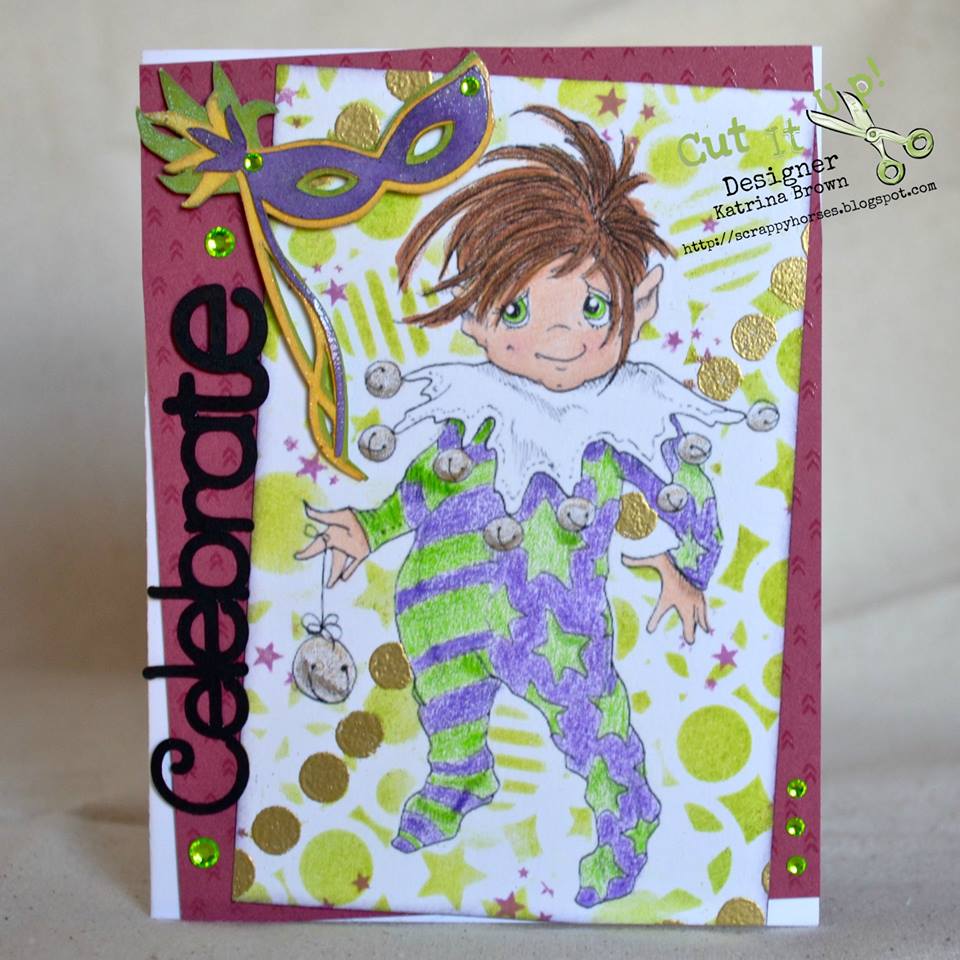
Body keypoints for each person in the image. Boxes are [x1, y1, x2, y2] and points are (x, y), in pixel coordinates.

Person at [296, 106, 741, 907]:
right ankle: (460, 776)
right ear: (475, 317)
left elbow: (687, 494)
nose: (558, 336)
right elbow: (430, 480)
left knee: (593, 729)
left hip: (553, 622)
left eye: (593, 309)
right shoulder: (475, 403)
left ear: (640, 302)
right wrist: (371, 527)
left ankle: (627, 821)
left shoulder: (621, 417)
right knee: (448, 709)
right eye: (517, 311)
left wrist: (688, 568)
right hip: (440, 606)